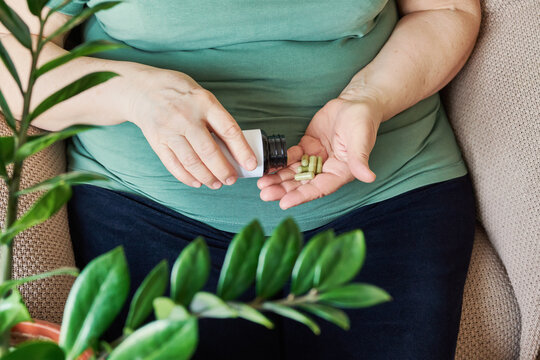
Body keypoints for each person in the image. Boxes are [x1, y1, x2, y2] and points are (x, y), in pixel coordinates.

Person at [1, 0, 481, 358]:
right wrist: (131, 93)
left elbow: (447, 9)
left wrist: (369, 99)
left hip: (388, 195)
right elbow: (13, 60)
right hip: (147, 210)